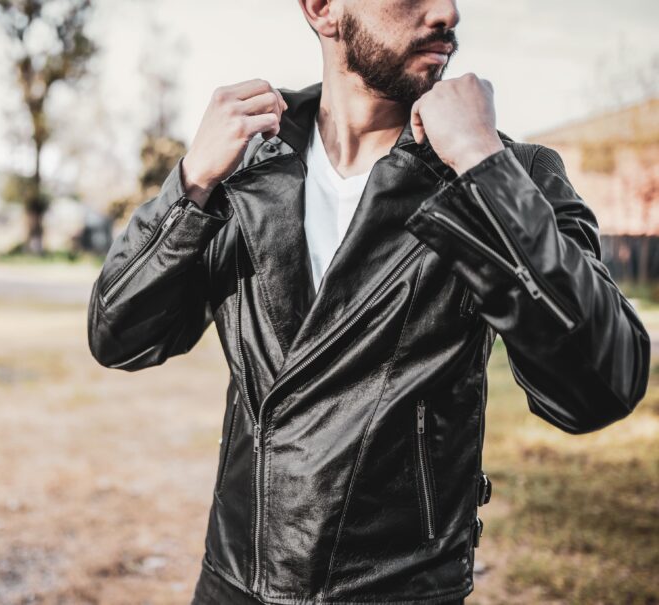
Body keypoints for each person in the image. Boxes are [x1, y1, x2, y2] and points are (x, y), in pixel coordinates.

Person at [86, 0, 651, 603]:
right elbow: (120, 336)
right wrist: (191, 183)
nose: (448, 12)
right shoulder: (246, 163)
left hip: (399, 589)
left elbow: (601, 386)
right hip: (235, 581)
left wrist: (484, 168)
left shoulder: (505, 172)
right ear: (323, 9)